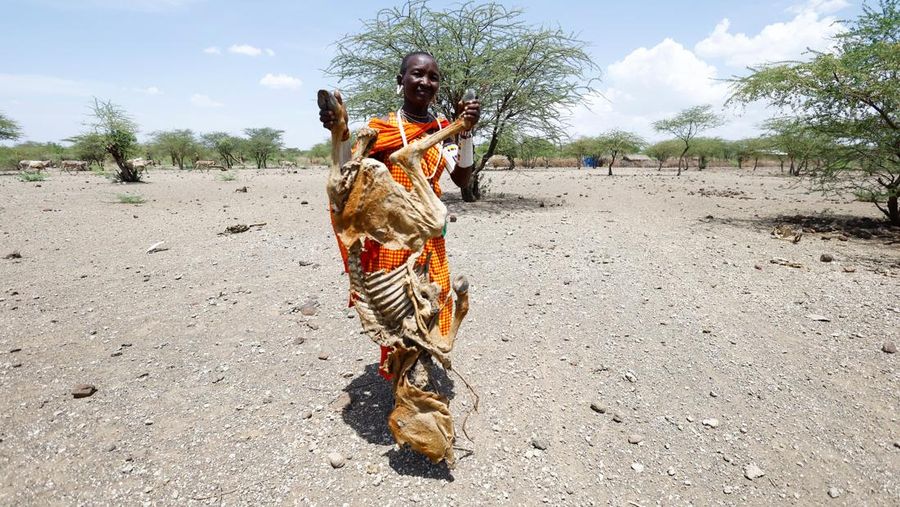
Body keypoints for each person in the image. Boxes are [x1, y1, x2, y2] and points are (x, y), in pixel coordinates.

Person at [319, 51, 481, 379]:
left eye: (432, 77)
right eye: (417, 74)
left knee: (432, 302)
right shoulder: (382, 129)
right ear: (401, 81)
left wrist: (466, 131)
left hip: (429, 239)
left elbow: (462, 179)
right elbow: (348, 169)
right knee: (395, 310)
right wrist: (339, 131)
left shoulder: (443, 129)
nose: (425, 82)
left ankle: (420, 368)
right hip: (391, 241)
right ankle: (404, 381)